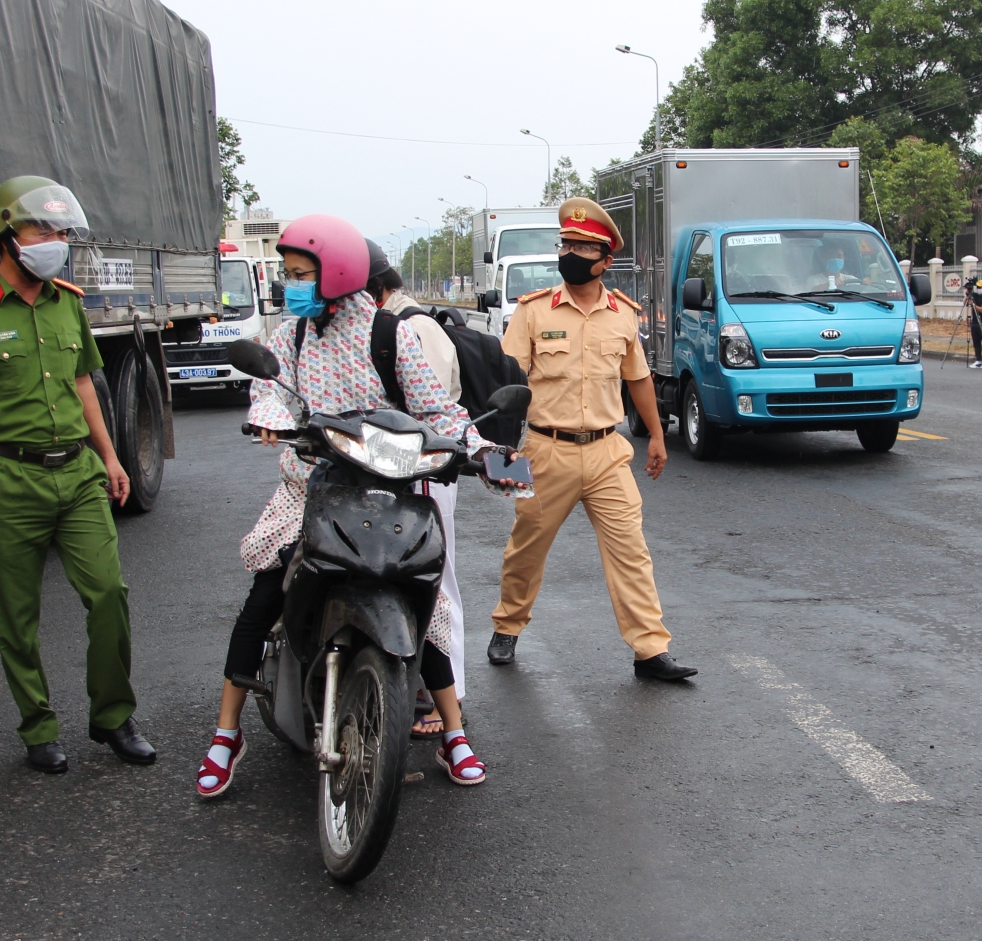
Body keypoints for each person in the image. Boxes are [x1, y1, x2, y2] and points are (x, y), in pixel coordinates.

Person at [197, 215, 494, 795]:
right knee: (266, 592)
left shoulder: (391, 333)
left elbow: (439, 412)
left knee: (420, 600)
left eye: (300, 275)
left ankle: (453, 734)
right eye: (289, 275)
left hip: (383, 491)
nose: (291, 286)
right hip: (308, 489)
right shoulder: (292, 334)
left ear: (335, 275)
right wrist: (271, 421)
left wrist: (484, 451)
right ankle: (227, 732)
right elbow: (270, 392)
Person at [0, 176, 150, 775]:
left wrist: (111, 456)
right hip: (8, 478)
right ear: (6, 234)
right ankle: (38, 727)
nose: (55, 242)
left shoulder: (66, 301)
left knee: (108, 594)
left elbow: (83, 385)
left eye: (61, 232)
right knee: (16, 614)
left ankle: (113, 717)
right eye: (42, 230)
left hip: (76, 473)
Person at [489, 197, 697, 682]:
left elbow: (638, 379)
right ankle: (508, 625)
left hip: (607, 451)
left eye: (584, 248)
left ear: (606, 261)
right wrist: (500, 452)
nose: (572, 254)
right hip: (544, 450)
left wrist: (659, 438)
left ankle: (649, 650)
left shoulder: (623, 314)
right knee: (526, 548)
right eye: (567, 245)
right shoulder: (533, 312)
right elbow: (505, 384)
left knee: (631, 551)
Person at [365, 241, 470, 737]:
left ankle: (453, 700)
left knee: (436, 584)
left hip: (423, 469)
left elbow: (425, 412)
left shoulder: (408, 329)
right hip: (385, 471)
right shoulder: (378, 326)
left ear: (379, 289)